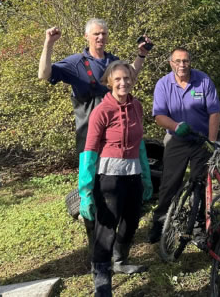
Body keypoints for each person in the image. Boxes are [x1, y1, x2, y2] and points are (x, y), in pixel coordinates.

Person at [38, 18, 153, 272]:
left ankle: (118, 258)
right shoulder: (75, 63)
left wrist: (140, 55)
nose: (101, 38)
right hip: (89, 141)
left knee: (119, 201)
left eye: (104, 34)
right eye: (96, 34)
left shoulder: (112, 61)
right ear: (86, 37)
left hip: (116, 142)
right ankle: (97, 258)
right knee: (91, 201)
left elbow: (128, 78)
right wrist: (48, 44)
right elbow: (44, 74)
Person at [78, 61, 146, 296]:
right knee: (106, 229)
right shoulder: (102, 110)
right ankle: (101, 277)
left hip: (133, 174)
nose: (123, 83)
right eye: (117, 79)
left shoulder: (137, 106)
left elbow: (140, 143)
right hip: (109, 177)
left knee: (132, 222)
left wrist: (145, 176)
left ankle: (119, 260)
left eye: (126, 78)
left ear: (132, 80)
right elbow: (89, 150)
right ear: (109, 82)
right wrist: (85, 190)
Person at [148, 47, 220, 243]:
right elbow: (159, 116)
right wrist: (175, 125)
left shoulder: (203, 81)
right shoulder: (163, 84)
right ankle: (160, 221)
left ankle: (198, 226)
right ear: (171, 62)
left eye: (186, 61)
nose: (182, 65)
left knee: (201, 184)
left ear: (190, 62)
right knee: (169, 183)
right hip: (176, 140)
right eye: (178, 61)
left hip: (200, 141)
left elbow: (214, 112)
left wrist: (212, 142)